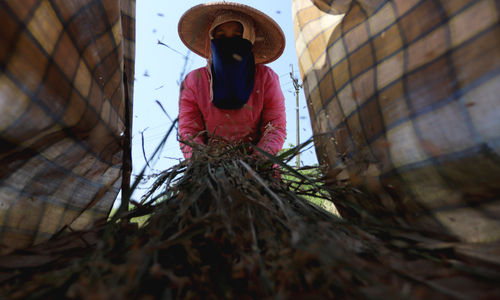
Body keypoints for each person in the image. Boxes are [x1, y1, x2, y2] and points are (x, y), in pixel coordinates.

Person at [177, 2, 287, 159]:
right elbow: (189, 131)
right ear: (212, 40)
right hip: (208, 172)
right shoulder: (195, 81)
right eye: (221, 36)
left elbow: (275, 127)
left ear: (249, 39)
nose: (228, 42)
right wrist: (203, 162)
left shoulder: (265, 78)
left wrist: (256, 163)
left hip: (260, 174)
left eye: (237, 36)